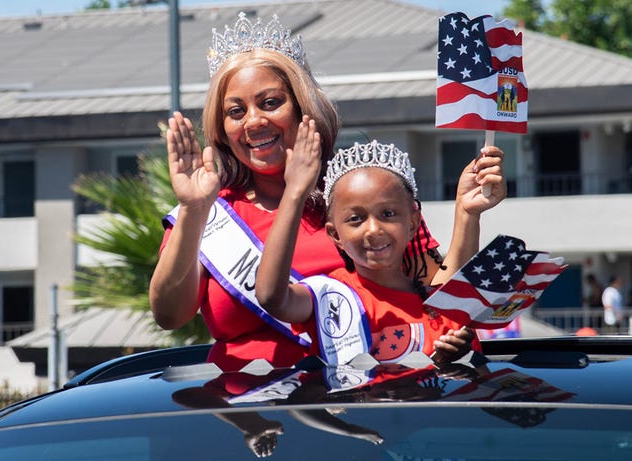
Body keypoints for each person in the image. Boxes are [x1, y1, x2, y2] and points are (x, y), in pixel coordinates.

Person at [149, 12, 506, 371]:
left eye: (270, 102)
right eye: (236, 111)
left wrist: (465, 214)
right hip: (247, 410)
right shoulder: (210, 214)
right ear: (222, 128)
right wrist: (194, 210)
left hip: (361, 404)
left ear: (304, 106)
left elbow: (436, 300)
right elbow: (169, 315)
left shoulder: (360, 195)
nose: (254, 121)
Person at [255, 137, 503, 364]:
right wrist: (295, 194)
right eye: (355, 219)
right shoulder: (328, 297)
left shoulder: (442, 308)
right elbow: (271, 297)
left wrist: (454, 361)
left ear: (413, 224)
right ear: (334, 235)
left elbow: (469, 392)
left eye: (388, 214)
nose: (373, 229)